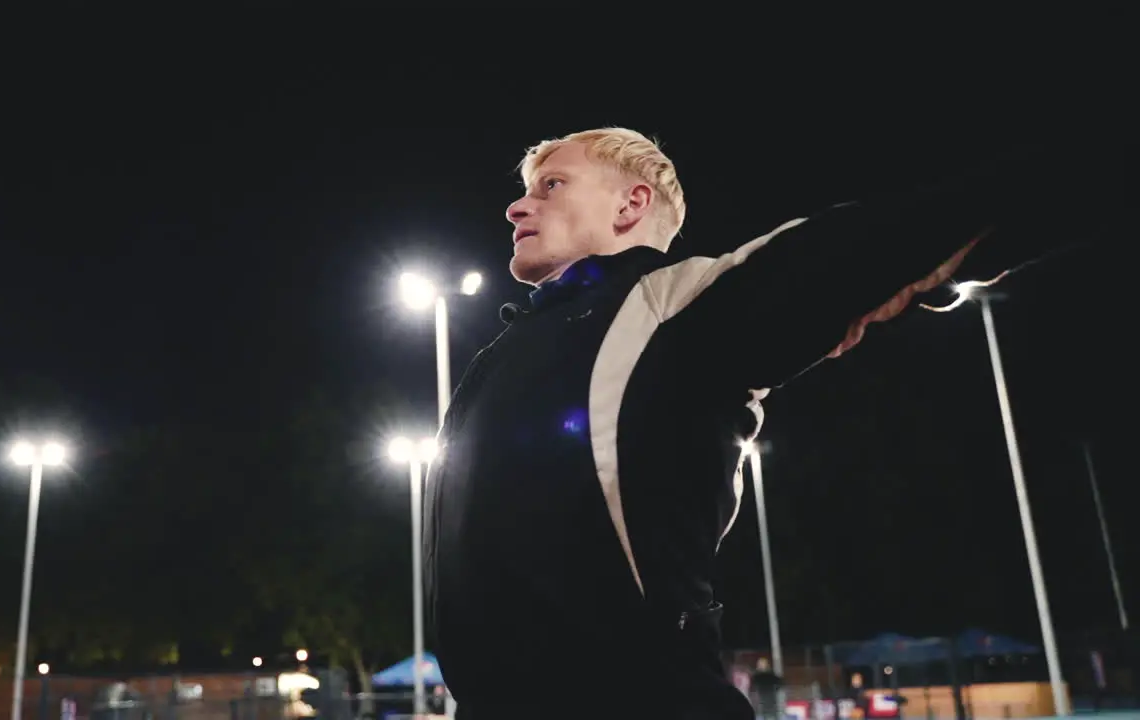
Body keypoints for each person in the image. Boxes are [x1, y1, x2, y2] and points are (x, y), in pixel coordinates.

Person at [422, 127, 1120, 719]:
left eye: (551, 186)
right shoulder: (497, 357)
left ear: (632, 204)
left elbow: (901, 235)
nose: (518, 206)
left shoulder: (676, 308)